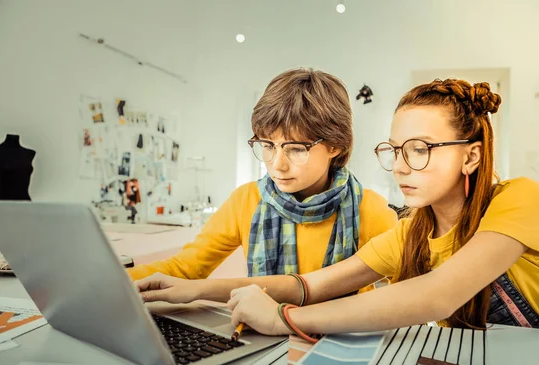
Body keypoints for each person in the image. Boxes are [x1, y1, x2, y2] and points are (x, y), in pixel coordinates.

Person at [136, 78, 539, 335]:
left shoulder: (518, 197)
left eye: (421, 149)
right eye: (395, 150)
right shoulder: (412, 231)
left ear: (470, 155)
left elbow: (437, 295)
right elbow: (307, 284)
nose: (401, 167)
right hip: (475, 363)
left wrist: (284, 320)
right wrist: (191, 289)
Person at [127, 68, 397, 281]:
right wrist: (114, 281)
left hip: (346, 345)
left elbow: (409, 291)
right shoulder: (246, 200)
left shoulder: (370, 211)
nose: (276, 164)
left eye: (295, 149)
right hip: (262, 338)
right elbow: (186, 267)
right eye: (267, 146)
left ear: (335, 145)